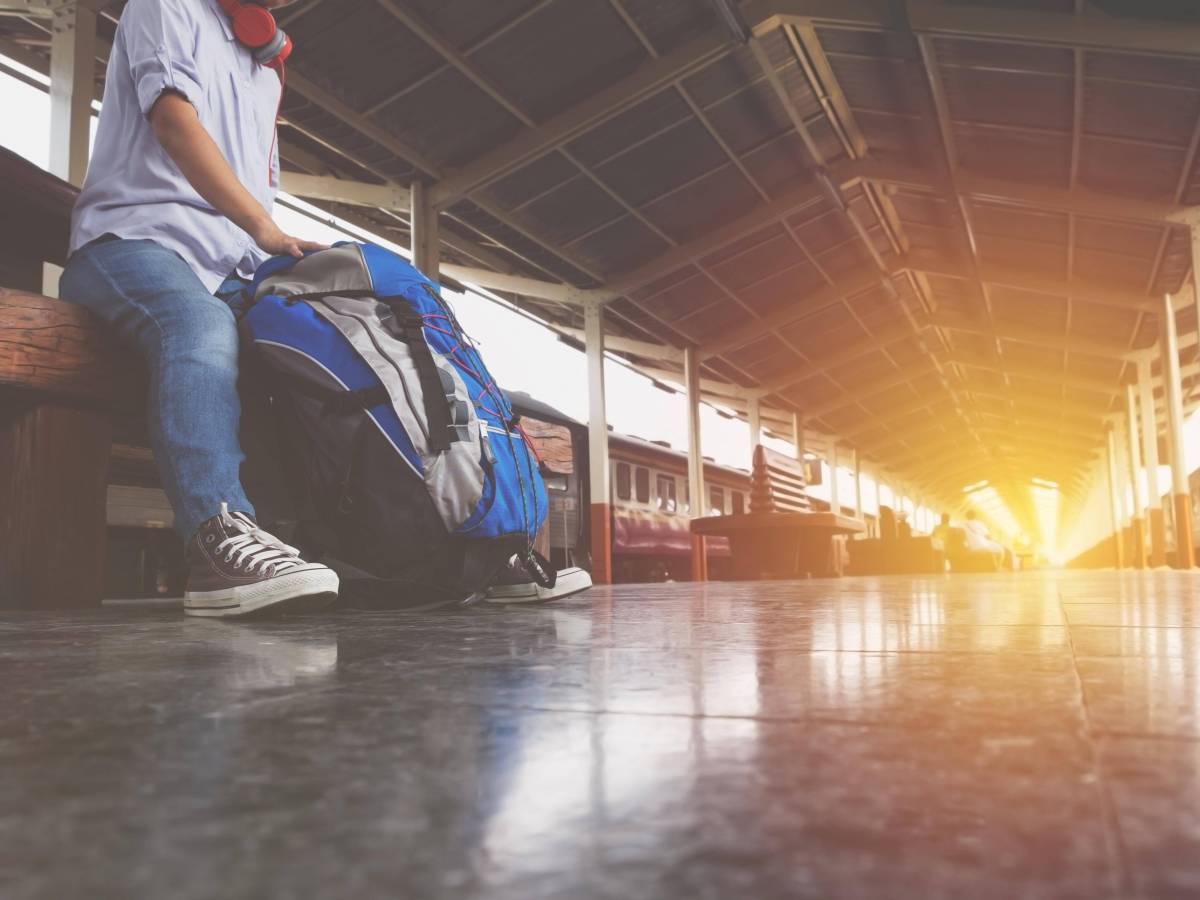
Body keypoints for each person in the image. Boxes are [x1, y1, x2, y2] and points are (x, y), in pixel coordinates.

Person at [59, 0, 339, 618]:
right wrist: (266, 230)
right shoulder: (166, 6)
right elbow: (174, 124)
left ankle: (335, 542)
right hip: (131, 244)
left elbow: (251, 182)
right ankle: (218, 537)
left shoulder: (266, 69)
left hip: (228, 266)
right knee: (200, 325)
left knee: (313, 346)